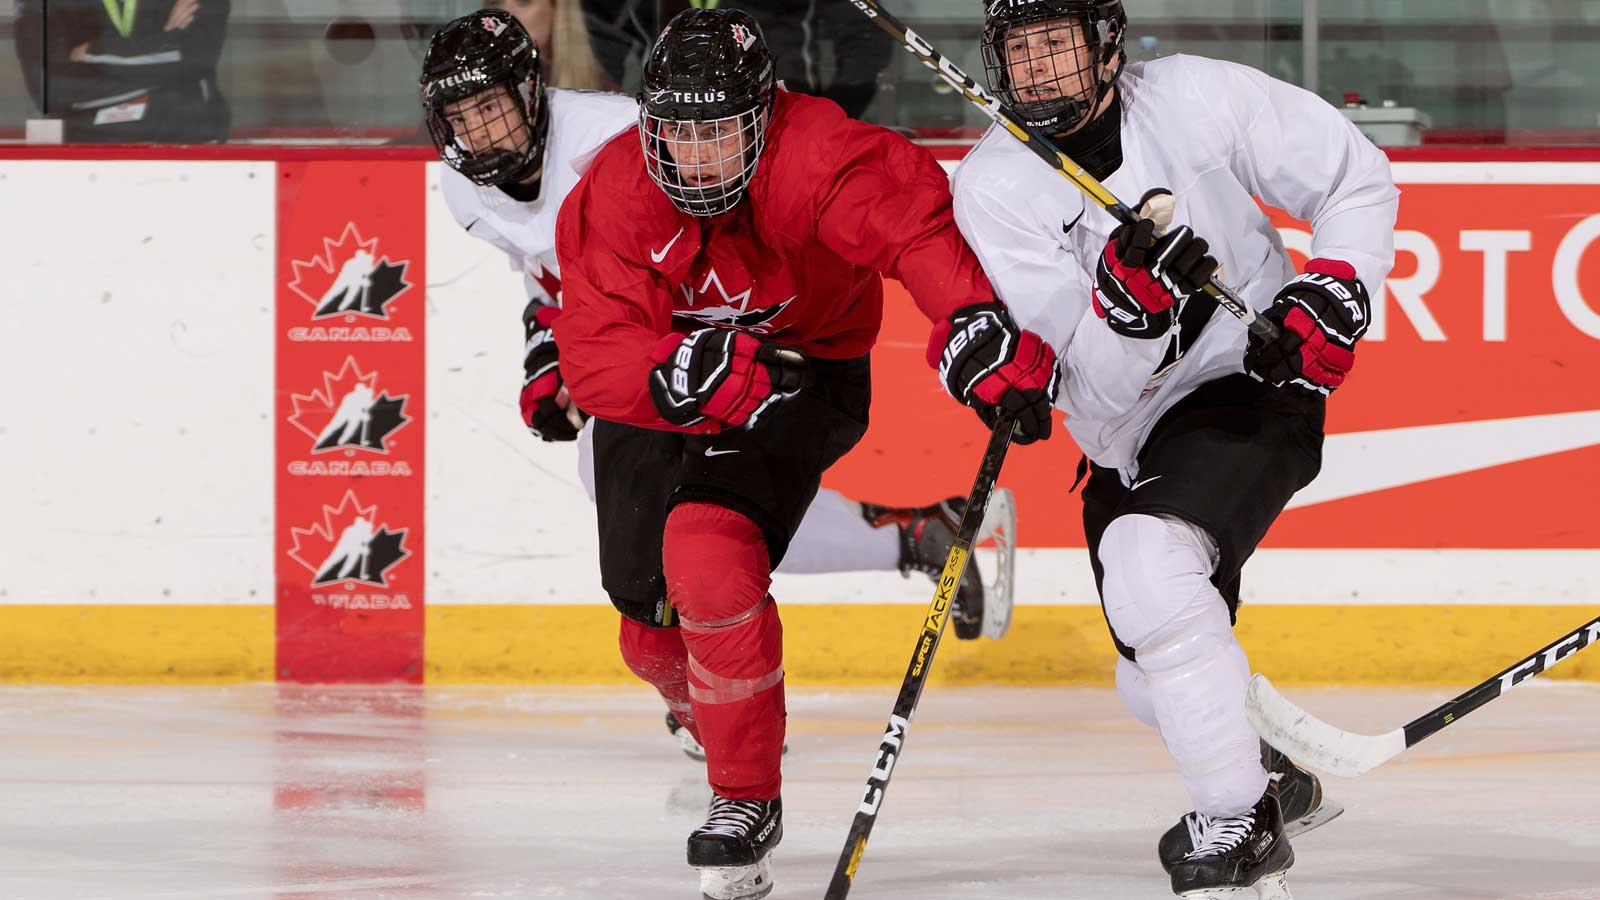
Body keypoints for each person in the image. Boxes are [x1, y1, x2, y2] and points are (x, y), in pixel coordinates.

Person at [419, 8, 1019, 765]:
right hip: (652, 340)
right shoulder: (465, 190)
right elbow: (552, 278)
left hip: (744, 335)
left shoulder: (613, 138)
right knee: (640, 549)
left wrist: (968, 318)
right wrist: (552, 353)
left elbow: (725, 216)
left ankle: (906, 541)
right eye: (460, 119)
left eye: (491, 107)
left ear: (531, 90)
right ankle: (915, 536)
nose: (479, 133)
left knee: (710, 537)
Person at [550, 9, 1058, 898]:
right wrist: (666, 375)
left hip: (800, 368)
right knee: (645, 627)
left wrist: (973, 323)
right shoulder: (620, 188)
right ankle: (720, 718)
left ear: (764, 115)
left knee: (707, 553)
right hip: (666, 379)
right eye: (675, 134)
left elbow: (918, 231)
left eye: (718, 135)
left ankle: (743, 800)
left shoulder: (817, 154)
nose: (694, 159)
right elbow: (592, 349)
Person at [950, 1, 1399, 897]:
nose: (1036, 70)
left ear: (1107, 42)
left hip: (1255, 379)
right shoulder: (993, 186)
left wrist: (1339, 284)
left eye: (1057, 44)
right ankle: (1270, 771)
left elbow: (1355, 177)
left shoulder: (1194, 95)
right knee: (1145, 670)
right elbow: (1090, 390)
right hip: (1126, 435)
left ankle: (1239, 822)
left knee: (1146, 557)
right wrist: (1129, 312)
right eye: (1019, 49)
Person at [14, 0, 230, 143]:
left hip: (187, 149)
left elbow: (194, 58)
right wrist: (162, 45)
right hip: (86, 159)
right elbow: (51, 88)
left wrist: (91, 52)